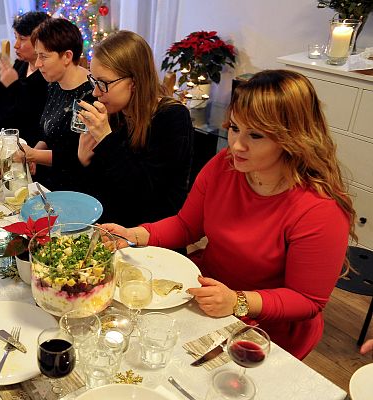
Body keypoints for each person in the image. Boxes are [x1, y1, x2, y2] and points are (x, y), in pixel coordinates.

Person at [101, 69, 354, 360]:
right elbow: (186, 226)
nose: (236, 145)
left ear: (292, 138)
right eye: (234, 128)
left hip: (268, 327)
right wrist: (135, 235)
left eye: (255, 135)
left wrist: (238, 301)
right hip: (208, 293)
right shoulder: (226, 165)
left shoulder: (320, 208)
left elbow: (307, 300)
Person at [76, 31, 193, 227]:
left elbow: (147, 197)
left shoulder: (172, 117)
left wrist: (106, 140)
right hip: (109, 231)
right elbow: (97, 193)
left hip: (152, 240)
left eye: (103, 83)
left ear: (135, 82)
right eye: (94, 81)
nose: (96, 92)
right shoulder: (115, 113)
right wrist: (84, 160)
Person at [18, 17, 93, 191]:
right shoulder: (55, 84)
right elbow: (49, 133)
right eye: (37, 56)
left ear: (67, 56)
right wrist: (33, 154)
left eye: (43, 56)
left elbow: (78, 158)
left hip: (75, 185)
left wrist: (33, 154)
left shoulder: (90, 95)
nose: (37, 63)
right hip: (51, 175)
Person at [0, 11, 50, 146]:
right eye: (16, 37)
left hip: (24, 140)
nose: (16, 45)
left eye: (22, 39)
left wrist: (14, 84)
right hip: (0, 132)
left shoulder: (48, 73)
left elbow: (28, 115)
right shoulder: (22, 63)